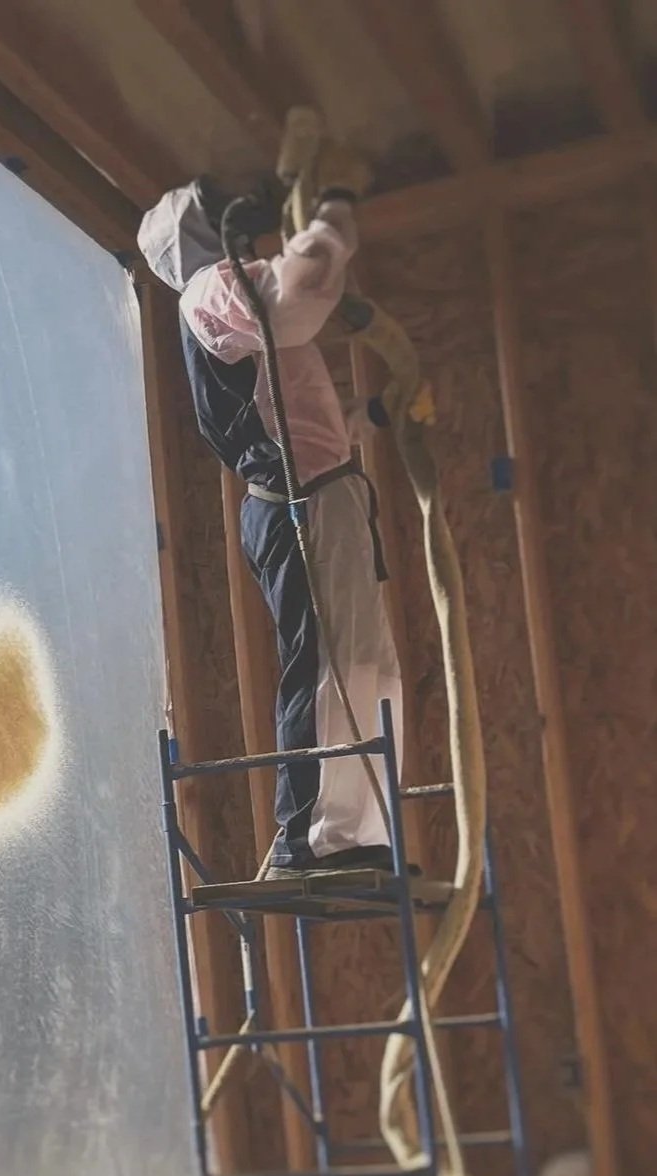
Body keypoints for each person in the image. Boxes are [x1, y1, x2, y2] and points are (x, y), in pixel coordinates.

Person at [137, 156, 403, 880]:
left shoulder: (224, 296)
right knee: (325, 663)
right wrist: (331, 212)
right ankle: (306, 840)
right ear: (198, 238)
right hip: (300, 501)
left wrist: (366, 416)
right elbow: (299, 293)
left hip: (324, 489)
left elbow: (291, 409)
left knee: (362, 664)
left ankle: (354, 833)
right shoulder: (208, 291)